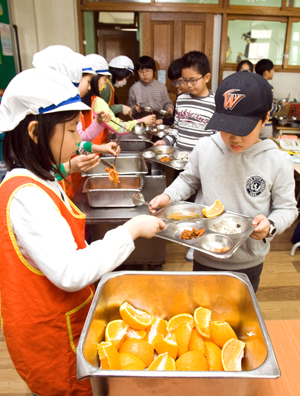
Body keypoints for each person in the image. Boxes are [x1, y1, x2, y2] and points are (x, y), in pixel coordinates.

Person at [0, 67, 165, 396]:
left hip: (63, 319)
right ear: (35, 132)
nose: (80, 139)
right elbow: (70, 271)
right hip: (53, 337)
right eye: (73, 130)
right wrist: (131, 229)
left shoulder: (32, 177)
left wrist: (68, 166)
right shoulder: (27, 197)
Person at [149, 71, 298, 293]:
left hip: (248, 260)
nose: (233, 138)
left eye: (243, 129)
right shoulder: (205, 147)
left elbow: (287, 208)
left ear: (265, 118)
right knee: (202, 307)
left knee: (236, 314)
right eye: (226, 126)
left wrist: (271, 225)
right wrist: (168, 195)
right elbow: (188, 181)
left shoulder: (277, 160)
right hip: (205, 251)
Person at [154, 51, 216, 152]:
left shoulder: (215, 103)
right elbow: (177, 129)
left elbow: (217, 137)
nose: (189, 85)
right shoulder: (181, 100)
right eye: (185, 80)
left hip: (202, 162)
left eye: (193, 80)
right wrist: (166, 141)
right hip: (179, 159)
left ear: (206, 78)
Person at [127, 55, 174, 120]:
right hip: (141, 122)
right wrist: (135, 108)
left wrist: (169, 108)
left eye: (147, 71)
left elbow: (167, 103)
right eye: (141, 72)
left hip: (158, 122)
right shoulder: (134, 88)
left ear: (154, 71)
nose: (144, 74)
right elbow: (129, 109)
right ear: (137, 72)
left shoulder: (161, 87)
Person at [255, 58, 289, 138]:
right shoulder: (268, 87)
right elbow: (269, 108)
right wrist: (281, 106)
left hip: (255, 124)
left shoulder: (255, 85)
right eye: (272, 70)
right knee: (265, 145)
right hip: (265, 124)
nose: (273, 72)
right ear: (266, 72)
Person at [162, 58, 189, 126]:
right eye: (174, 82)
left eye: (180, 81)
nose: (177, 86)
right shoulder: (180, 96)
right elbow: (176, 118)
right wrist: (162, 121)